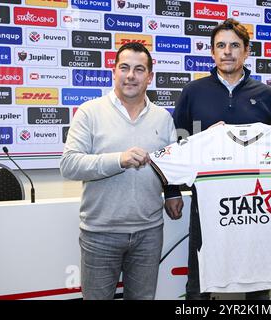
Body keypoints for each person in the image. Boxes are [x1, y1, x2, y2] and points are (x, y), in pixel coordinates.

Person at [174, 18, 271, 300]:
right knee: (199, 284)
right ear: (212, 52)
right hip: (207, 204)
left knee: (257, 282)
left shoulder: (264, 94)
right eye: (221, 45)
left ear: (246, 52)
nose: (227, 51)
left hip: (255, 206)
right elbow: (179, 142)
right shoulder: (193, 93)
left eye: (234, 45)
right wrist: (173, 189)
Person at [60, 42, 183, 300]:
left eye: (139, 70)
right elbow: (69, 165)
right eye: (124, 68)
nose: (130, 75)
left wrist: (173, 192)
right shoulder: (89, 112)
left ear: (149, 77)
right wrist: (119, 160)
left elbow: (171, 165)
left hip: (149, 233)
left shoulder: (163, 118)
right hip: (100, 234)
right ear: (113, 72)